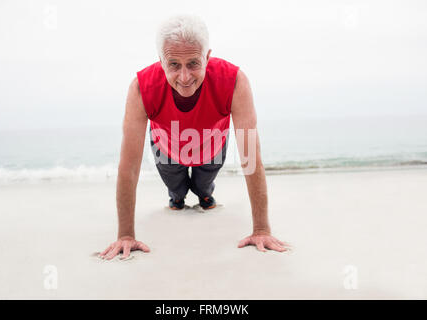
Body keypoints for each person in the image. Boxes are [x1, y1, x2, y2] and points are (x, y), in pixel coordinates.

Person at [99, 14, 289, 260]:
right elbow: (129, 167)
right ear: (161, 61)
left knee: (203, 186)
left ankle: (204, 196)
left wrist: (261, 229)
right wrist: (125, 235)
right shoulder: (141, 87)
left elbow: (251, 159)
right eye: (174, 65)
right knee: (176, 190)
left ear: (207, 58)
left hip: (213, 148)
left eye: (193, 63)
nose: (185, 77)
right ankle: (177, 200)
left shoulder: (234, 81)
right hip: (166, 149)